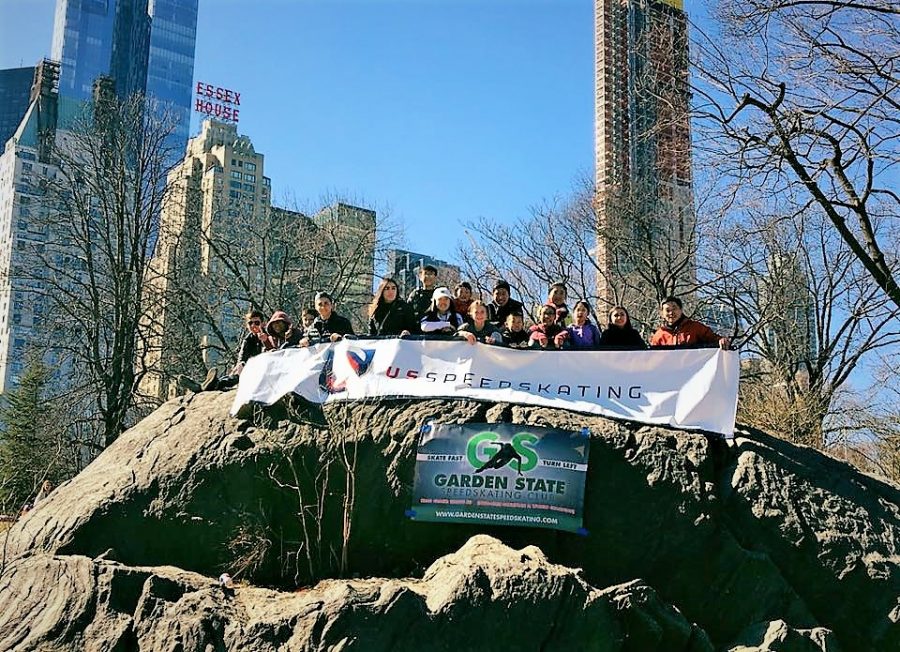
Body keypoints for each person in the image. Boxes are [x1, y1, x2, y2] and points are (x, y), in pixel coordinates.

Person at [184, 309, 276, 392]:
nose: (253, 326)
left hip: (267, 371)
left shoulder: (270, 335)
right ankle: (206, 385)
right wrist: (241, 365)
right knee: (237, 374)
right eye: (250, 323)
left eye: (256, 323)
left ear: (263, 323)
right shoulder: (248, 339)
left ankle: (210, 384)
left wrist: (265, 341)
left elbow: (274, 354)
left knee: (240, 376)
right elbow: (242, 357)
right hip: (253, 370)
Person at [650, 296, 731, 349]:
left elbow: (714, 339)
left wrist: (722, 340)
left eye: (674, 308)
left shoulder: (696, 327)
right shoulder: (658, 335)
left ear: (681, 310)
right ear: (662, 314)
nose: (671, 313)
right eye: (667, 310)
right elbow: (652, 359)